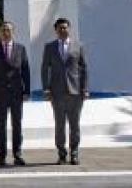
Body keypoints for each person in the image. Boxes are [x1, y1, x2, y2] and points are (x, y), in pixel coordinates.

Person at [41, 17, 88, 165]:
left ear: (69, 29)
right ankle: (61, 154)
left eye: (65, 27)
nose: (63, 30)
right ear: (56, 30)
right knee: (59, 125)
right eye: (60, 28)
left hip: (75, 93)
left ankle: (74, 153)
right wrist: (46, 88)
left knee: (75, 125)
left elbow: (84, 69)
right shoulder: (49, 47)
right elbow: (44, 69)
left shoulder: (78, 46)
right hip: (57, 92)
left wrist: (85, 89)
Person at [0, 21, 30, 166]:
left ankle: (17, 154)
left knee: (17, 125)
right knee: (1, 126)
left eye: (8, 30)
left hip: (17, 93)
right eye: (3, 30)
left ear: (13, 32)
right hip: (0, 93)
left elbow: (25, 71)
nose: (6, 32)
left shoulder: (21, 49)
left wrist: (27, 90)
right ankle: (2, 155)